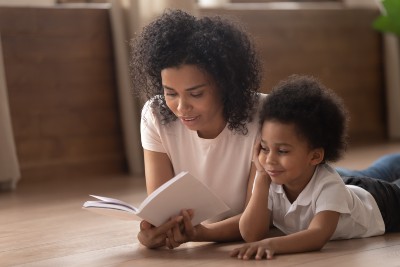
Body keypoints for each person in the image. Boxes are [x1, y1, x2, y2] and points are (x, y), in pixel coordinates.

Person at [130, 9, 400, 250]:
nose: (181, 107)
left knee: (363, 182)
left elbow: (257, 219)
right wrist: (158, 232)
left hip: (312, 186)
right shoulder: (156, 115)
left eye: (196, 93)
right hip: (309, 193)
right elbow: (163, 211)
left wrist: (200, 233)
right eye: (170, 93)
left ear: (225, 84)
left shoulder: (264, 114)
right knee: (366, 177)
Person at [230, 75, 400, 260]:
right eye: (264, 147)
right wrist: (261, 177)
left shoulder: (328, 185)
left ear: (315, 156)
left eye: (283, 151)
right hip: (352, 188)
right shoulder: (270, 177)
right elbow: (251, 234)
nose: (269, 159)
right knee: (378, 171)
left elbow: (318, 235)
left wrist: (272, 244)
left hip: (384, 205)